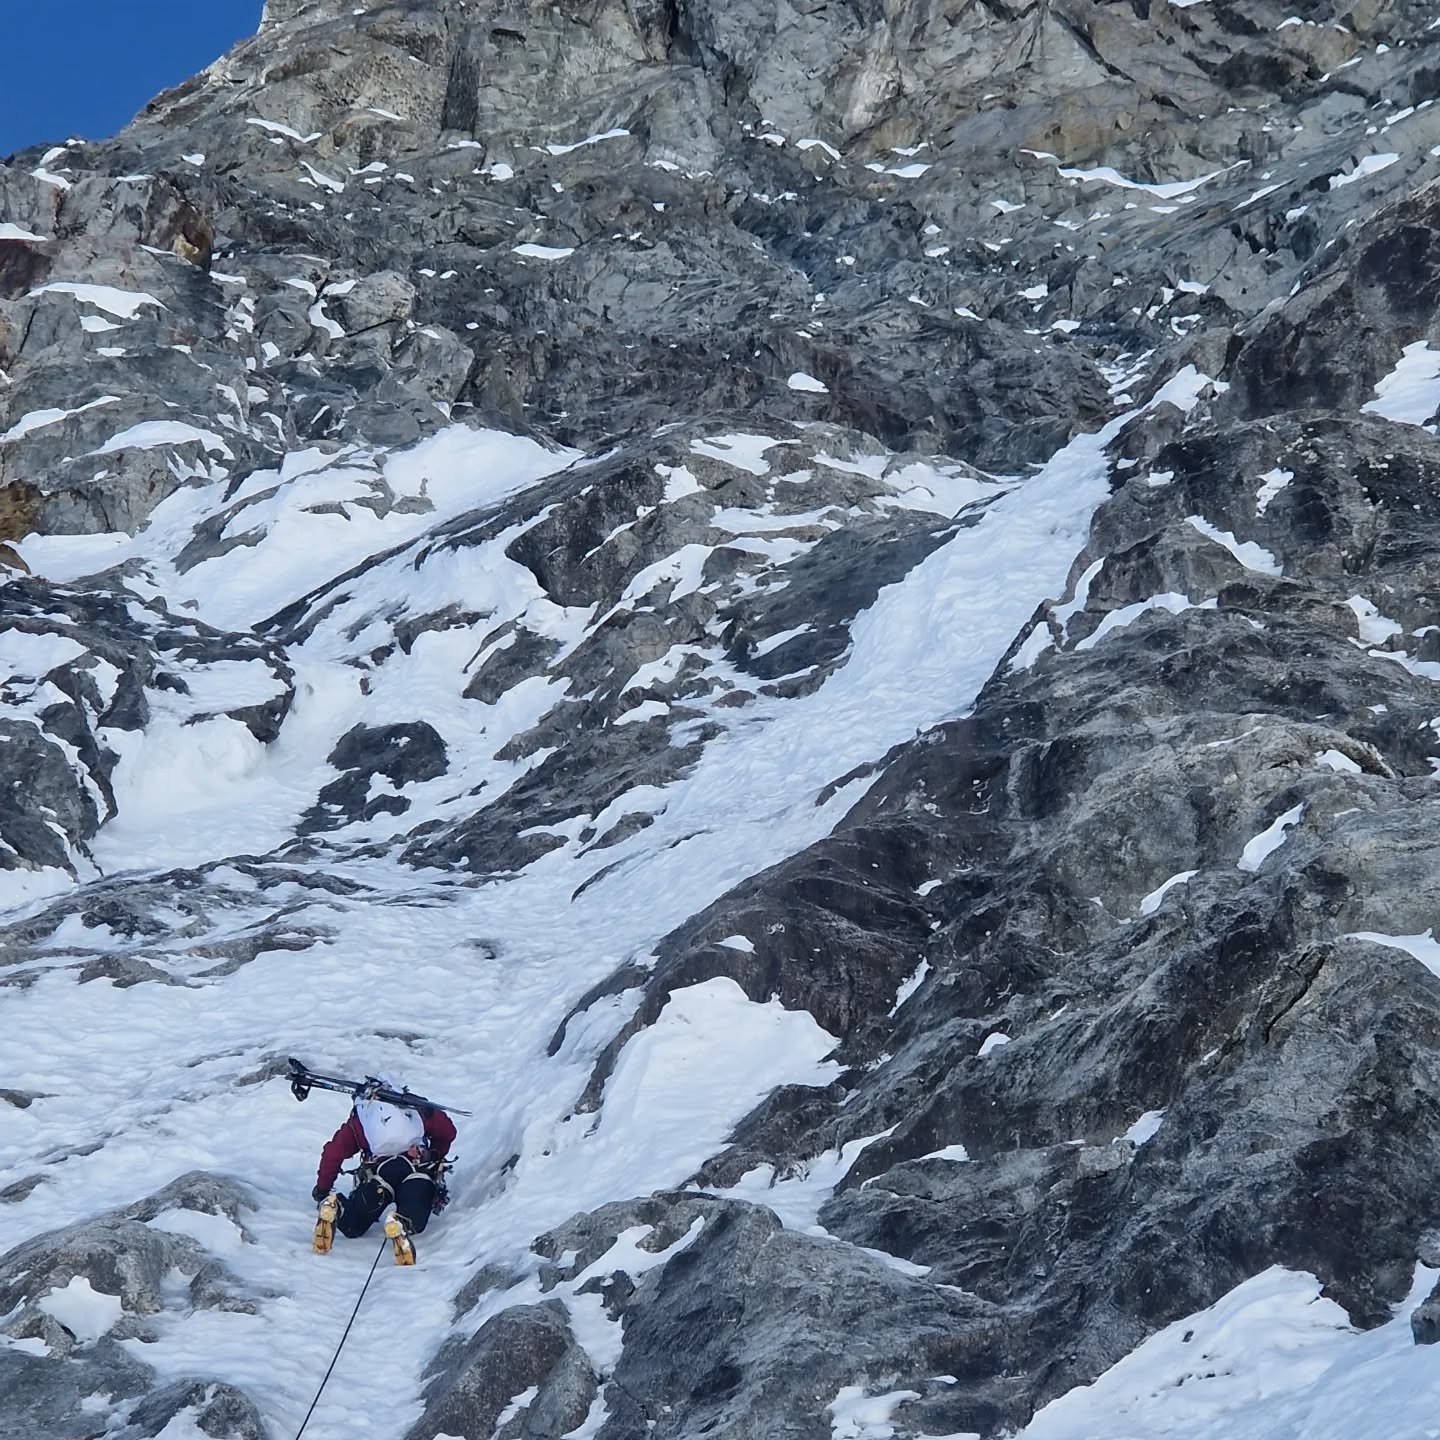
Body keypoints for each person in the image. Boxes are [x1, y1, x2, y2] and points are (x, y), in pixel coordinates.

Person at [311, 1076, 456, 1264]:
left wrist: (322, 1189)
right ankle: (400, 1225)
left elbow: (333, 1153)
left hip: (379, 1175)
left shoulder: (361, 1121)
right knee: (414, 1215)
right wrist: (434, 1153)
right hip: (416, 1171)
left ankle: (337, 1207)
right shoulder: (415, 1108)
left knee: (354, 1226)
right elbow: (448, 1132)